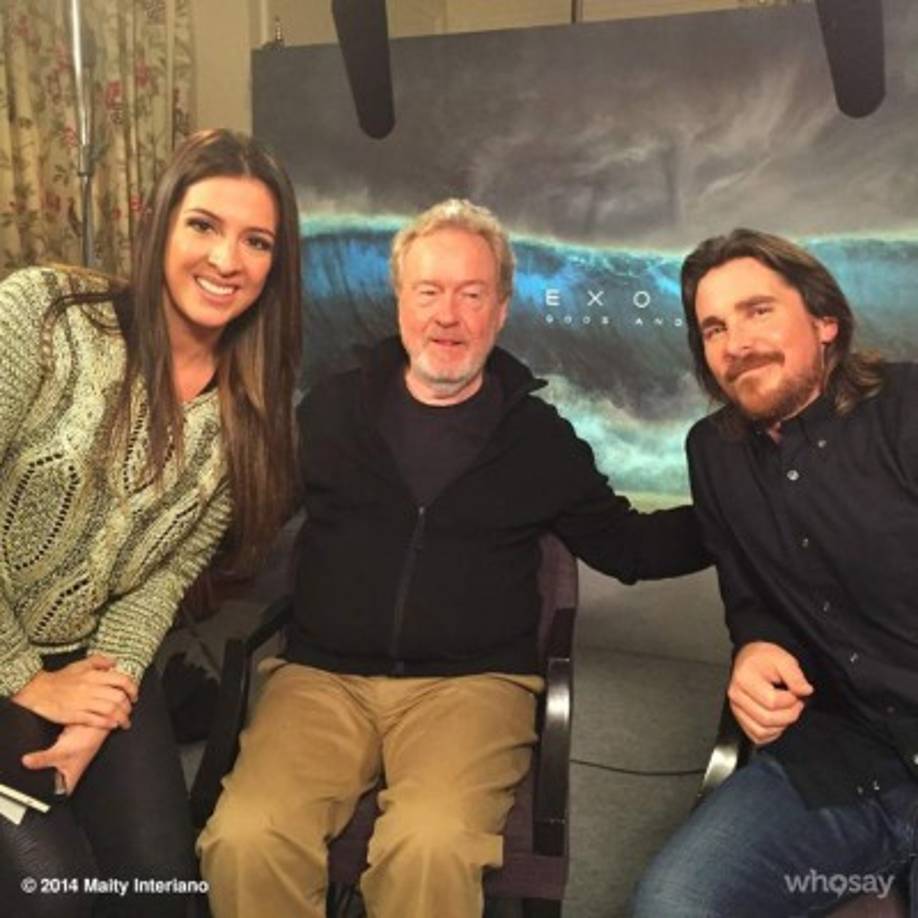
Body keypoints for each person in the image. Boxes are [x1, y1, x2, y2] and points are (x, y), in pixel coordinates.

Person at [199, 198, 709, 918]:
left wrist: (739, 515)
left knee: (431, 847)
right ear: (401, 301)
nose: (448, 315)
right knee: (246, 839)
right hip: (321, 679)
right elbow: (247, 515)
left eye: (471, 294)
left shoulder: (537, 438)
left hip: (472, 688)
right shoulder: (333, 412)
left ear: (500, 310)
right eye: (429, 291)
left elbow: (628, 545)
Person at [0, 128, 302, 918]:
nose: (226, 260)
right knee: (55, 897)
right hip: (7, 649)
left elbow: (166, 574)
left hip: (90, 655)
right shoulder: (45, 316)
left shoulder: (251, 418)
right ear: (162, 223)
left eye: (256, 240)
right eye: (204, 225)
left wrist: (104, 698)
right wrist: (28, 680)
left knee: (162, 885)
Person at [633, 229, 918, 916]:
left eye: (758, 311)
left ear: (826, 321)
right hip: (841, 757)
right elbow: (750, 595)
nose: (736, 343)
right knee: (674, 906)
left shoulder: (907, 409)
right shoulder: (714, 452)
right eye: (713, 328)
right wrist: (755, 643)